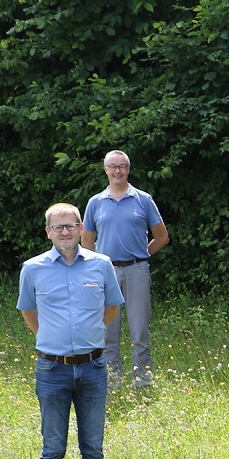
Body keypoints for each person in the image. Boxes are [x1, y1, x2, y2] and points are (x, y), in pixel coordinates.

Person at [19, 203, 124, 459]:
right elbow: (29, 313)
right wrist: (54, 340)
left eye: (71, 226)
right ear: (48, 231)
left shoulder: (101, 265)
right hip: (52, 369)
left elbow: (110, 309)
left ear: (81, 228)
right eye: (58, 227)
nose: (65, 232)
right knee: (53, 449)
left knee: (93, 448)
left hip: (93, 367)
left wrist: (87, 336)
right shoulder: (32, 269)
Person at [81, 150, 168, 386]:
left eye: (122, 166)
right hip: (106, 273)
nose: (117, 171)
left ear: (128, 170)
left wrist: (141, 255)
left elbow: (161, 237)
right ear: (105, 169)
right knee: (108, 329)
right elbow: (86, 241)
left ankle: (142, 379)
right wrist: (97, 263)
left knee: (139, 329)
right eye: (113, 166)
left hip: (136, 270)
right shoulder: (95, 202)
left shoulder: (143, 199)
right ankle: (112, 378)